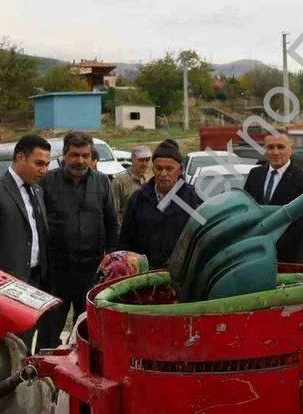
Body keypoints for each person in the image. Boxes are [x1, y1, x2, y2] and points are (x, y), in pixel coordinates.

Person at [37, 131, 119, 349]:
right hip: (57, 272)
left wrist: (111, 260)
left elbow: (111, 222)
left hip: (91, 271)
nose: (80, 160)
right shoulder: (47, 182)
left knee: (87, 331)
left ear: (91, 157)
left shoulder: (102, 182)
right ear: (64, 155)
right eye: (74, 155)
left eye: (85, 155)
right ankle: (43, 368)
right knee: (49, 330)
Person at [0, 134, 53, 348]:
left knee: (26, 340)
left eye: (46, 164)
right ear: (20, 157)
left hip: (35, 280)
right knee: (8, 345)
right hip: (5, 284)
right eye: (39, 163)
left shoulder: (37, 190)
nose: (43, 170)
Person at [119, 139, 202, 268]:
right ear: (153, 169)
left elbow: (201, 243)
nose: (163, 174)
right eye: (159, 168)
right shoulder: (138, 200)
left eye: (169, 169)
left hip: (181, 275)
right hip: (145, 275)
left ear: (180, 170)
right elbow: (125, 242)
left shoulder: (193, 200)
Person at [243, 130, 303, 263]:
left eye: (281, 147)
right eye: (270, 147)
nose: (275, 152)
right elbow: (246, 210)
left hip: (288, 256)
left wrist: (273, 242)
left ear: (291, 149)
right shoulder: (255, 174)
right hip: (255, 254)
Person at [112, 145, 151, 222]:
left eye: (147, 160)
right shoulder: (119, 181)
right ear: (132, 159)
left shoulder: (149, 180)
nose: (144, 164)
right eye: (141, 160)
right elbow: (114, 210)